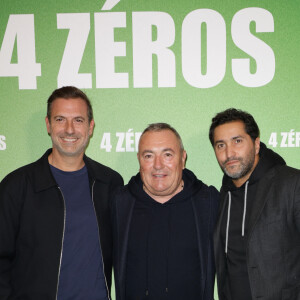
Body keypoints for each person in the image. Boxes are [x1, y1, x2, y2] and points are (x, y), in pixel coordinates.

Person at [0, 86, 123, 300]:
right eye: (60, 119)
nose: (69, 129)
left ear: (90, 127)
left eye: (78, 120)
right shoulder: (16, 186)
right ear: (48, 125)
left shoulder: (109, 183)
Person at [112, 122, 219, 300]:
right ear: (139, 159)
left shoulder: (208, 202)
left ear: (182, 159)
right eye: (148, 156)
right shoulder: (119, 203)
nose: (158, 165)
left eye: (167, 154)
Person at [209, 108, 300, 300]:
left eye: (237, 141)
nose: (229, 153)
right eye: (220, 145)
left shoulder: (292, 184)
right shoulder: (223, 195)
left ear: (256, 144)